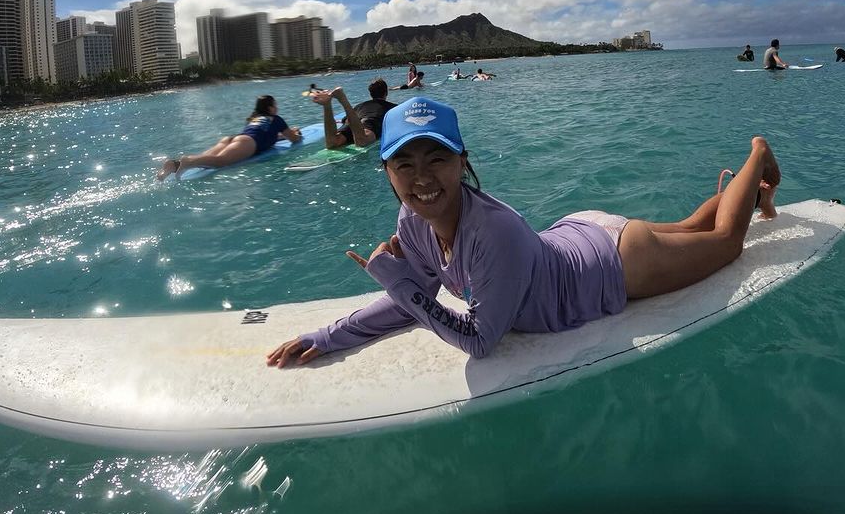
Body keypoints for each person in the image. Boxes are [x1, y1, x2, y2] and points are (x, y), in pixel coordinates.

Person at [266, 97, 780, 365]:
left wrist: (395, 281)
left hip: (616, 266)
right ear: (386, 172)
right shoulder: (413, 221)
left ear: (462, 163)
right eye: (405, 164)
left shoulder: (494, 231)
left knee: (724, 243)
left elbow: (480, 341)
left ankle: (758, 155)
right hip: (582, 233)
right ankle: (751, 192)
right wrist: (326, 337)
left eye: (437, 158)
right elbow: (416, 297)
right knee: (691, 227)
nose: (422, 178)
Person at [156, 95, 301, 180]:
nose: (277, 107)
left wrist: (281, 135)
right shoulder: (276, 119)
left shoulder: (255, 118)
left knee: (204, 159)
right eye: (275, 105)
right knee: (221, 161)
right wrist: (296, 133)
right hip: (248, 143)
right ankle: (187, 161)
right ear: (270, 108)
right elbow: (294, 139)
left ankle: (173, 165)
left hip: (233, 139)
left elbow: (267, 135)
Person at [312, 79, 397, 149]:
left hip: (353, 120)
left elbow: (345, 119)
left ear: (371, 94)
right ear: (386, 93)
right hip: (369, 122)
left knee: (333, 143)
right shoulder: (393, 107)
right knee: (362, 141)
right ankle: (343, 99)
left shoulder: (359, 106)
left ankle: (327, 105)